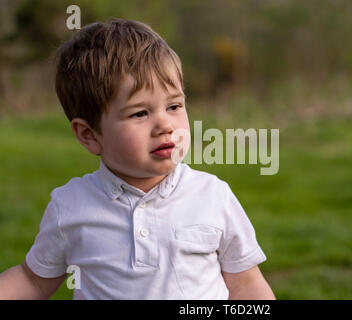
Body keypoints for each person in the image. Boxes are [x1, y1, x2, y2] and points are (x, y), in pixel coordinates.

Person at [0, 19, 275, 300]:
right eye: (140, 114)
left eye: (174, 106)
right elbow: (33, 281)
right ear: (90, 135)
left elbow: (245, 284)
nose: (165, 125)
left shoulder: (213, 196)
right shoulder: (70, 206)